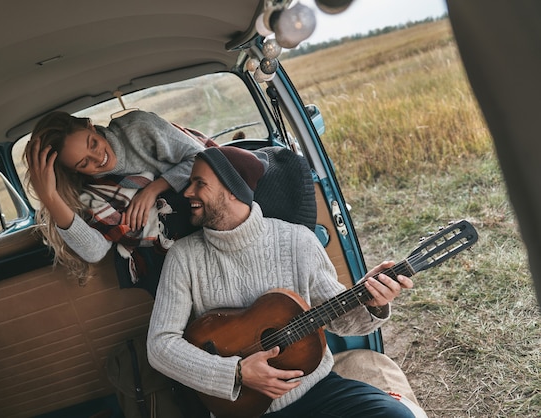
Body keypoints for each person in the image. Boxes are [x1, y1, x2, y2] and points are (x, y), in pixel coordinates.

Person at [146, 146, 416, 417]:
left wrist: (371, 302)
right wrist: (236, 373)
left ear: (231, 189)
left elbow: (341, 321)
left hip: (315, 390)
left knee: (398, 415)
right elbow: (160, 345)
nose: (187, 192)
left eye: (199, 183)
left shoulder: (298, 240)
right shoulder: (183, 257)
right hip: (243, 409)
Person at [24, 110, 205, 286]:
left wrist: (153, 190)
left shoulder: (138, 128)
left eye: (93, 143)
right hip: (175, 250)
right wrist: (50, 197)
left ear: (91, 127)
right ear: (74, 170)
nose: (98, 158)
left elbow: (204, 158)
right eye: (84, 163)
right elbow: (95, 251)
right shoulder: (89, 193)